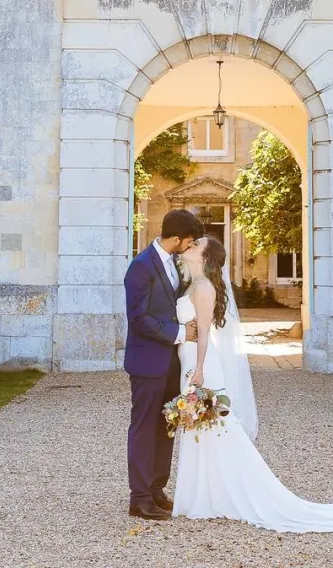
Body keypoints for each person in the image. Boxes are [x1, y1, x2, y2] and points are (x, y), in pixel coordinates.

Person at [172, 236, 333, 533]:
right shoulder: (192, 284)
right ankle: (205, 496)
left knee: (215, 430)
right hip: (191, 362)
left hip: (201, 366)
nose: (189, 247)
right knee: (200, 429)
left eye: (196, 246)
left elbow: (205, 334)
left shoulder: (204, 287)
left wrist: (200, 371)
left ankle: (226, 495)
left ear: (205, 258)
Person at [123, 207, 204, 520]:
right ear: (175, 238)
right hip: (147, 361)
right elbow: (138, 317)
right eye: (189, 241)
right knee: (144, 428)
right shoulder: (140, 267)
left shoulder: (175, 263)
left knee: (166, 427)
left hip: (172, 362)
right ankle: (139, 497)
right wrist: (181, 333)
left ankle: (157, 489)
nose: (189, 246)